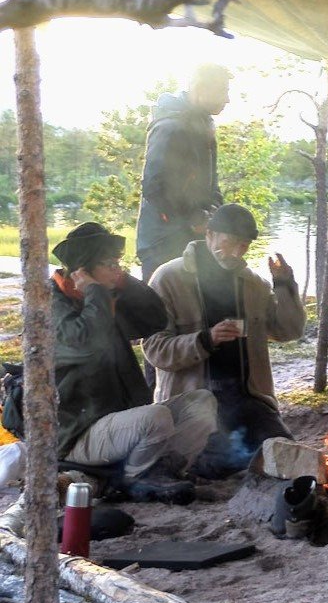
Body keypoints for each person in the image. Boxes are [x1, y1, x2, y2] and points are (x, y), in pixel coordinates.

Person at [0, 223, 219, 534]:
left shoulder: (105, 297)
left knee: (202, 402)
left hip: (117, 422)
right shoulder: (48, 305)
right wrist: (95, 292)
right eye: (110, 263)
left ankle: (160, 470)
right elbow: (87, 342)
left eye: (120, 263)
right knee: (155, 417)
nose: (118, 269)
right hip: (78, 433)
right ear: (82, 271)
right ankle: (132, 479)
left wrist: (123, 282)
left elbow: (155, 319)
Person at [143, 204, 305, 469]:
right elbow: (155, 350)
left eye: (244, 246)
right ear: (210, 235)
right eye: (229, 242)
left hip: (248, 399)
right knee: (217, 466)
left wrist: (285, 284)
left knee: (286, 455)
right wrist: (206, 339)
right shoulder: (168, 279)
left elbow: (288, 330)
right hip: (194, 403)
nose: (236, 253)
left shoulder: (253, 285)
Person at [136, 63, 232, 283]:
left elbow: (210, 184)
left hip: (191, 239)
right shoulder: (170, 127)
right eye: (223, 91)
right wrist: (192, 219)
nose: (227, 99)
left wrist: (216, 215)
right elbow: (154, 187)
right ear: (200, 89)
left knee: (195, 311)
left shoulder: (203, 124)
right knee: (163, 313)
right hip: (163, 243)